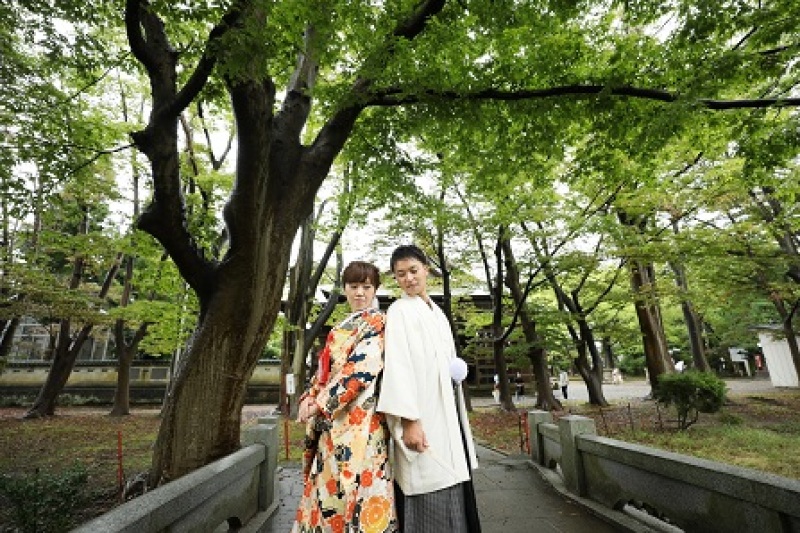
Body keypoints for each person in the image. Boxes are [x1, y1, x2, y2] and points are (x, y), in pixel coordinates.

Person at [378, 244, 480, 533]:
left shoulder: (437, 312)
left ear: (426, 269)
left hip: (446, 411)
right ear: (395, 279)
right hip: (423, 416)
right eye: (401, 274)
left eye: (413, 270)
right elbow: (398, 367)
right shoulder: (399, 311)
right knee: (429, 478)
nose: (409, 278)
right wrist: (409, 420)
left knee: (452, 477)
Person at [292, 261, 398, 533]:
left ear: (375, 290)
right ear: (345, 289)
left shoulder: (378, 323)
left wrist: (320, 402)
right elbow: (324, 370)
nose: (360, 293)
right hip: (332, 422)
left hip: (361, 422)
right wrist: (310, 395)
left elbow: (362, 368)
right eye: (353, 286)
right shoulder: (341, 327)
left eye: (366, 286)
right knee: (328, 492)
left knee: (362, 490)